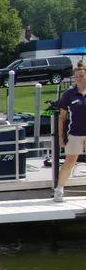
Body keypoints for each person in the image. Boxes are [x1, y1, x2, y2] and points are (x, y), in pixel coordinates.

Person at [54, 61, 86, 202]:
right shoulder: (69, 94)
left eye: (81, 76)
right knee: (70, 161)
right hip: (75, 133)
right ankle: (59, 189)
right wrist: (61, 135)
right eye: (77, 76)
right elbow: (62, 117)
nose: (79, 78)